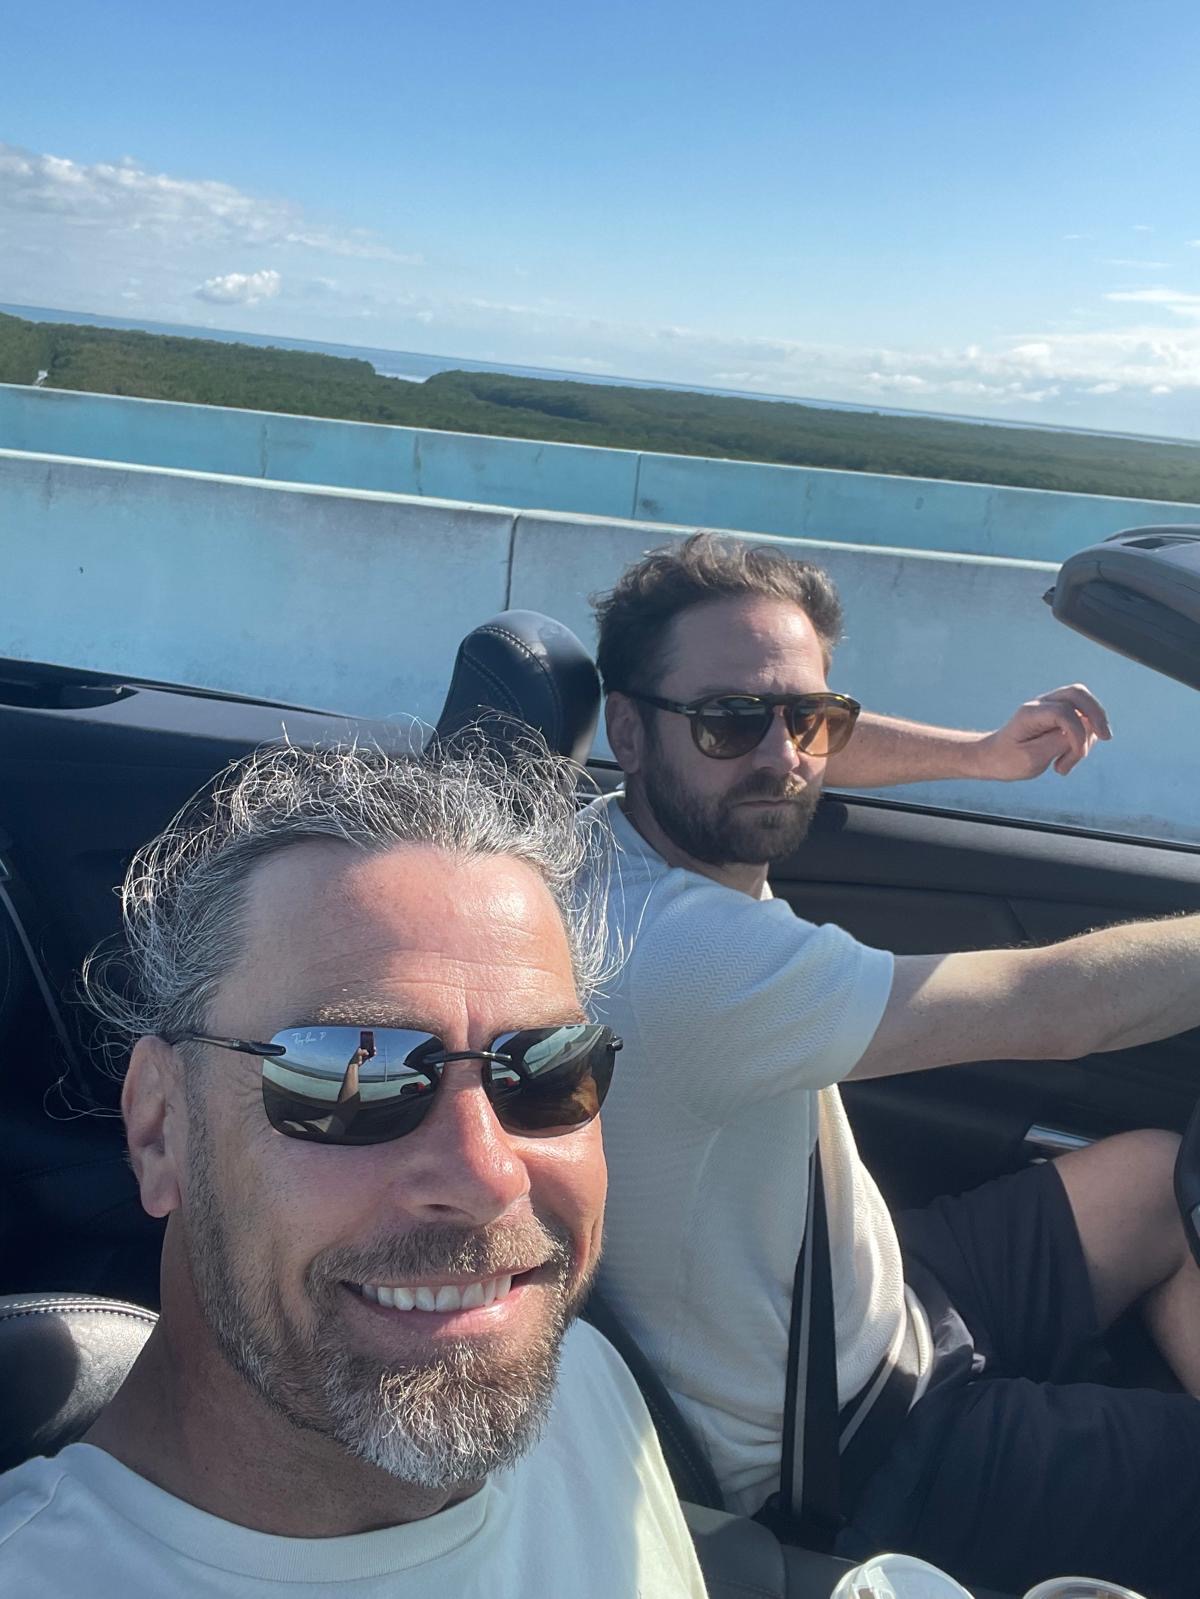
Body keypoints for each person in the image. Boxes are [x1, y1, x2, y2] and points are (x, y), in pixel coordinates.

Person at [587, 532, 1200, 1599]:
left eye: (809, 717)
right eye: (731, 718)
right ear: (627, 729)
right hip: (851, 1446)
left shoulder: (601, 830)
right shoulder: (688, 954)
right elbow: (1057, 1006)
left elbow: (783, 746)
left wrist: (983, 754)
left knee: (1157, 1174)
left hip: (869, 1296)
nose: (783, 756)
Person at [0, 742, 707, 1599]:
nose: (487, 1175)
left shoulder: (588, 1384)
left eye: (547, 1070)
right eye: (354, 1076)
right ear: (158, 1128)